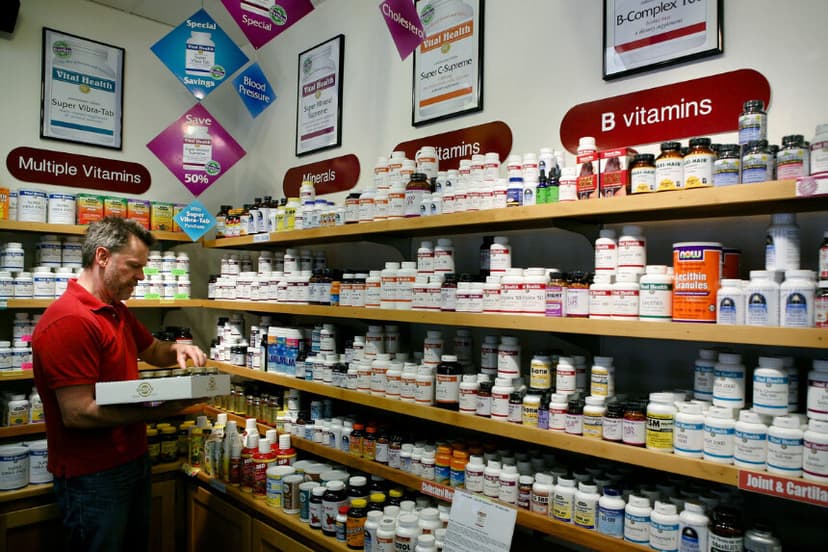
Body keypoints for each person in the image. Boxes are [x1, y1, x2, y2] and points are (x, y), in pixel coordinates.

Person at [32, 217, 207, 552]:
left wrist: (178, 348)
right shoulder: (71, 320)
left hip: (131, 462)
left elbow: (153, 350)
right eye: (134, 266)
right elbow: (79, 413)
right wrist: (158, 410)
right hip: (93, 478)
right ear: (102, 257)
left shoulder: (116, 310)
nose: (141, 276)